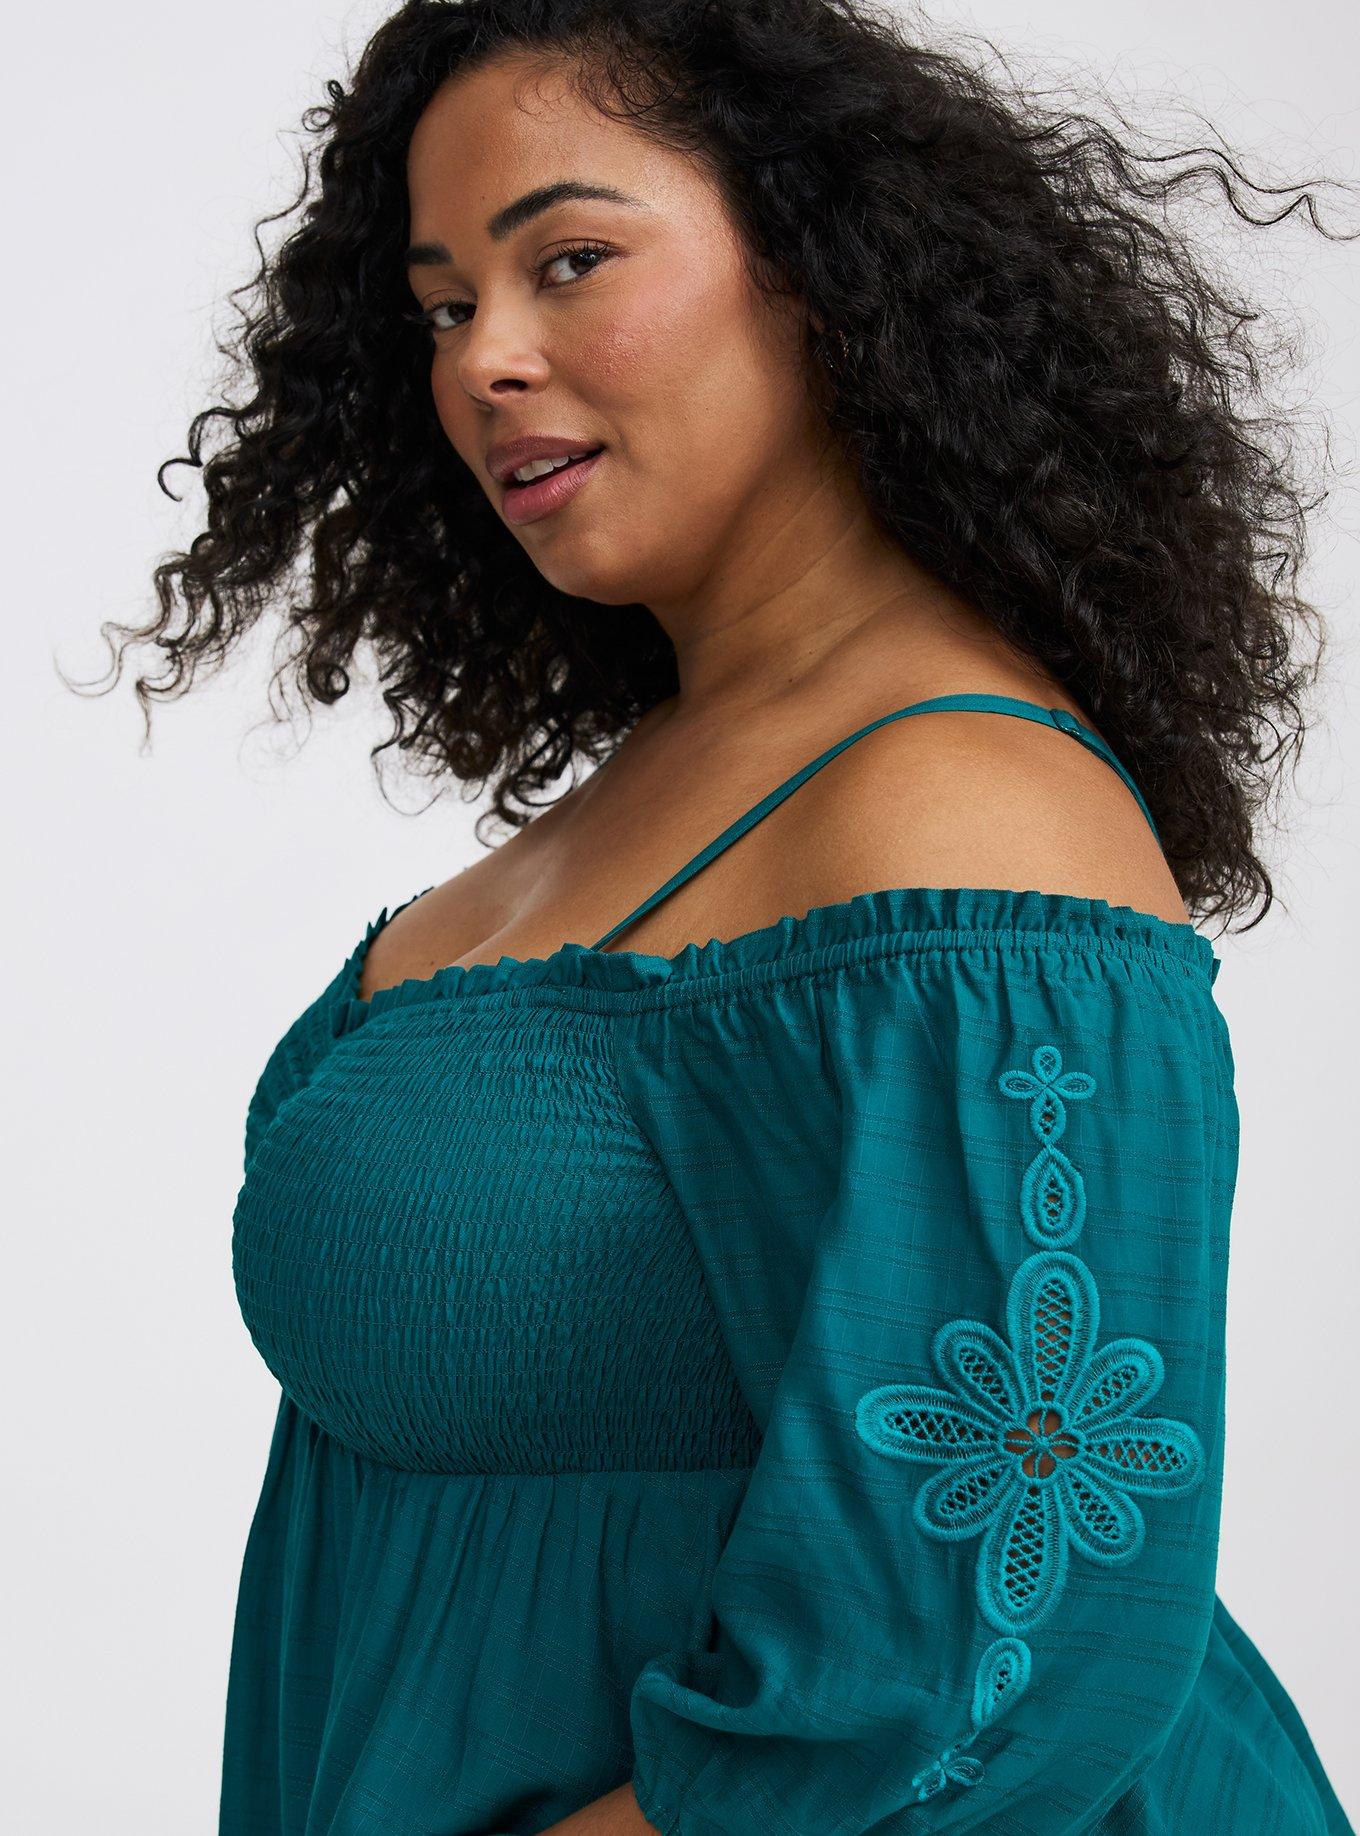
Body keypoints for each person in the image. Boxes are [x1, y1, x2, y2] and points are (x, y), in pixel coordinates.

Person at [93, 2, 1356, 1830]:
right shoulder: (672, 782)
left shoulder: (966, 818)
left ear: (821, 266)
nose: (485, 359)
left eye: (570, 260)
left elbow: (990, 1656)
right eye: (443, 307)